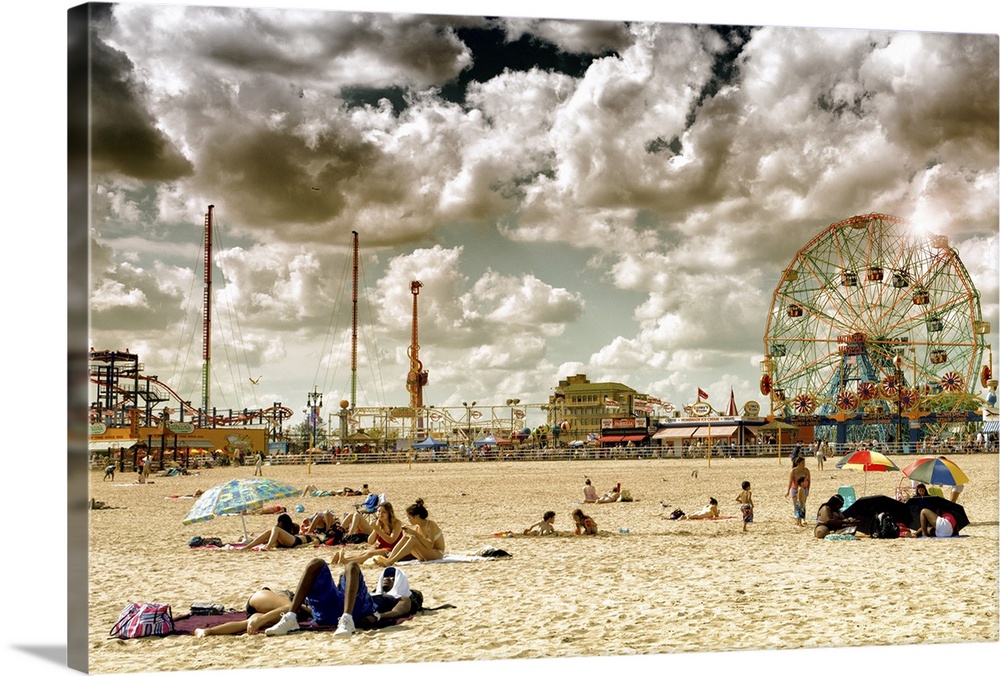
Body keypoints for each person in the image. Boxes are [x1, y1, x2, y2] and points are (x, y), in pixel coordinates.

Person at [265, 560, 406, 637]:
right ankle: (290, 618)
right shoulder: (371, 590)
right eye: (386, 576)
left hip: (358, 611)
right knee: (316, 563)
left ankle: (347, 619)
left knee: (351, 566)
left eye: (392, 578)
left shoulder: (390, 596)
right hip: (331, 610)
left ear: (400, 582)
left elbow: (404, 605)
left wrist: (378, 617)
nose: (387, 579)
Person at [194, 588, 297, 637]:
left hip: (270, 611)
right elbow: (292, 606)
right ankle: (261, 620)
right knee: (290, 607)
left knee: (248, 624)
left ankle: (207, 631)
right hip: (262, 597)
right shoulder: (286, 596)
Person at [373, 499, 445, 566]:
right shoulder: (418, 527)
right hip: (425, 555)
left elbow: (430, 545)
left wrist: (415, 533)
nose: (409, 520)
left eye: (409, 518)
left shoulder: (430, 525)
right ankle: (389, 560)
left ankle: (390, 562)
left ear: (416, 517)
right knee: (406, 538)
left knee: (413, 538)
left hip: (437, 554)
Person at [331, 503, 405, 565]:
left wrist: (377, 530)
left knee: (369, 554)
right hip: (382, 548)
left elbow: (391, 541)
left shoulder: (396, 523)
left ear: (389, 513)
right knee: (365, 552)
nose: (380, 514)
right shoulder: (380, 524)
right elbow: (370, 541)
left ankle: (345, 561)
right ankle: (343, 560)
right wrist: (376, 529)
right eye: (379, 511)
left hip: (393, 550)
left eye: (384, 512)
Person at [242, 513, 322, 550]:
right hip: (291, 541)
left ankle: (268, 547)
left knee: (275, 529)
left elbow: (316, 541)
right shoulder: (284, 532)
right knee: (270, 531)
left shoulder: (308, 535)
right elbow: (266, 538)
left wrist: (304, 546)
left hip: (295, 541)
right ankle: (248, 547)